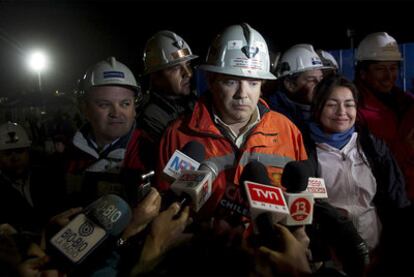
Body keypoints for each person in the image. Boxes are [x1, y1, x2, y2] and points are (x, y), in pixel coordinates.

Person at [156, 23, 307, 225]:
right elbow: (162, 208)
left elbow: (302, 201)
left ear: (262, 85)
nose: (242, 94)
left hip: (266, 253)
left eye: (253, 83)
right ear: (211, 80)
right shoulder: (178, 134)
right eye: (231, 81)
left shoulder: (287, 130)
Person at [306, 74, 412, 273]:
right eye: (332, 104)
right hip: (330, 264)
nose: (342, 112)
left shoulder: (373, 147)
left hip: (376, 257)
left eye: (349, 104)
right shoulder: (305, 151)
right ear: (318, 107)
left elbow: (397, 201)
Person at [64, 57, 152, 207]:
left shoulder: (149, 151)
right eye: (104, 104)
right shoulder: (69, 153)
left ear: (134, 108)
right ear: (84, 108)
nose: (116, 113)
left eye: (125, 103)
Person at [354, 32, 414, 202]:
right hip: (382, 200)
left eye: (393, 68)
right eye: (380, 69)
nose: (389, 76)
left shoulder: (408, 103)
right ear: (363, 73)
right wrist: (405, 146)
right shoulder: (352, 109)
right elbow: (363, 160)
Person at [136, 30, 198, 164]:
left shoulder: (195, 101)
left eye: (188, 65)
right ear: (156, 76)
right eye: (176, 68)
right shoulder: (151, 116)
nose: (188, 73)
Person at [0, 122, 66, 234]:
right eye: (8, 153)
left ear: (28, 152)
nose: (15, 158)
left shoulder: (48, 177)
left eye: (20, 151)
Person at [266, 44, 326, 146]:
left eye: (321, 79)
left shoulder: (320, 110)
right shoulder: (274, 119)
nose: (320, 85)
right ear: (290, 85)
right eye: (312, 80)